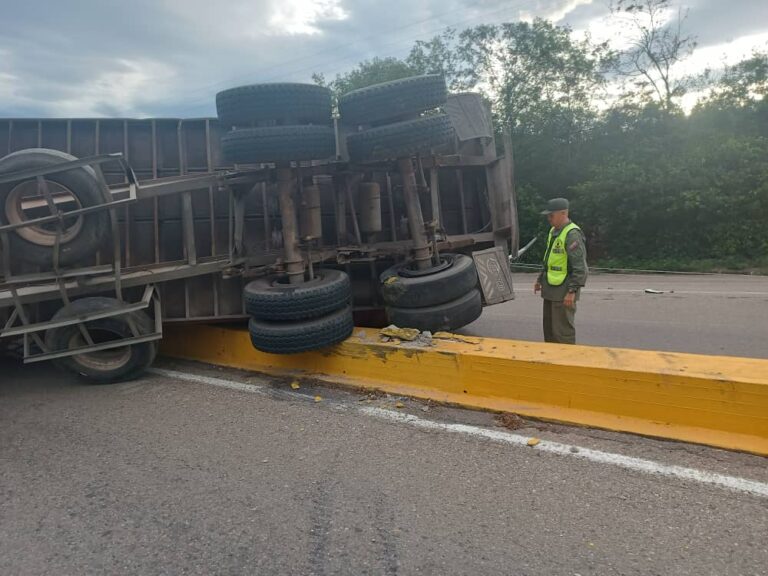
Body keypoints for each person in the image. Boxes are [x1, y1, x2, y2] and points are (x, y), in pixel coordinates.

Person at [534, 198, 588, 344]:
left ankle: (566, 362)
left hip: (564, 290)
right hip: (550, 288)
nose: (548, 218)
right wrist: (540, 279)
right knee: (550, 330)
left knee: (562, 333)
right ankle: (551, 363)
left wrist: (572, 291)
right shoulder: (554, 231)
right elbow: (550, 258)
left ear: (563, 213)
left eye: (551, 215)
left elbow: (580, 267)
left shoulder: (572, 234)